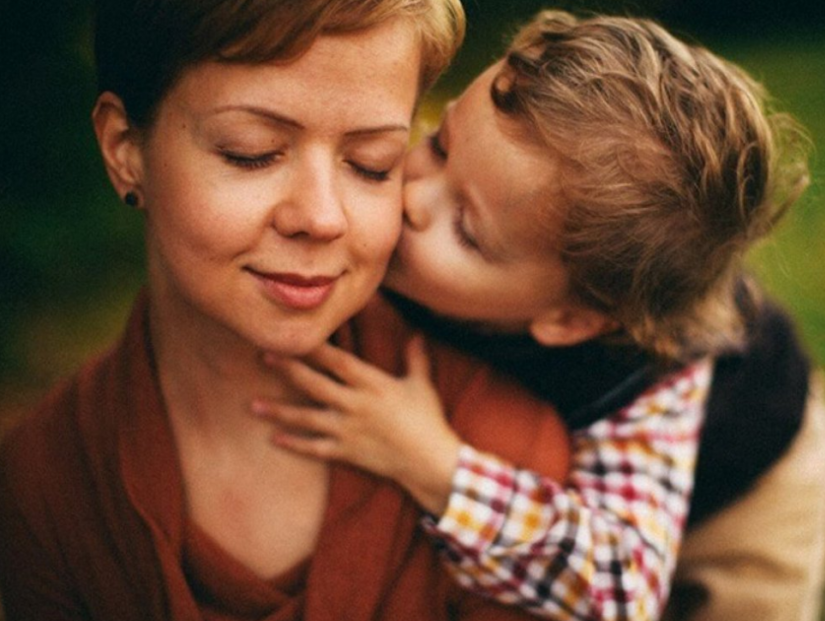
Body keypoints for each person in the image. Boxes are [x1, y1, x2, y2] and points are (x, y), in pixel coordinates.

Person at [252, 10, 825, 621]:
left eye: (466, 231)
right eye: (440, 144)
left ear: (569, 320)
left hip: (754, 482)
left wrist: (433, 465)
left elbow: (622, 588)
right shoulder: (463, 232)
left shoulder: (647, 381)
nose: (412, 197)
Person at [0, 2, 577, 620]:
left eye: (371, 164)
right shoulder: (44, 482)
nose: (322, 217)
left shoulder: (500, 445)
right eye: (252, 153)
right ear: (124, 149)